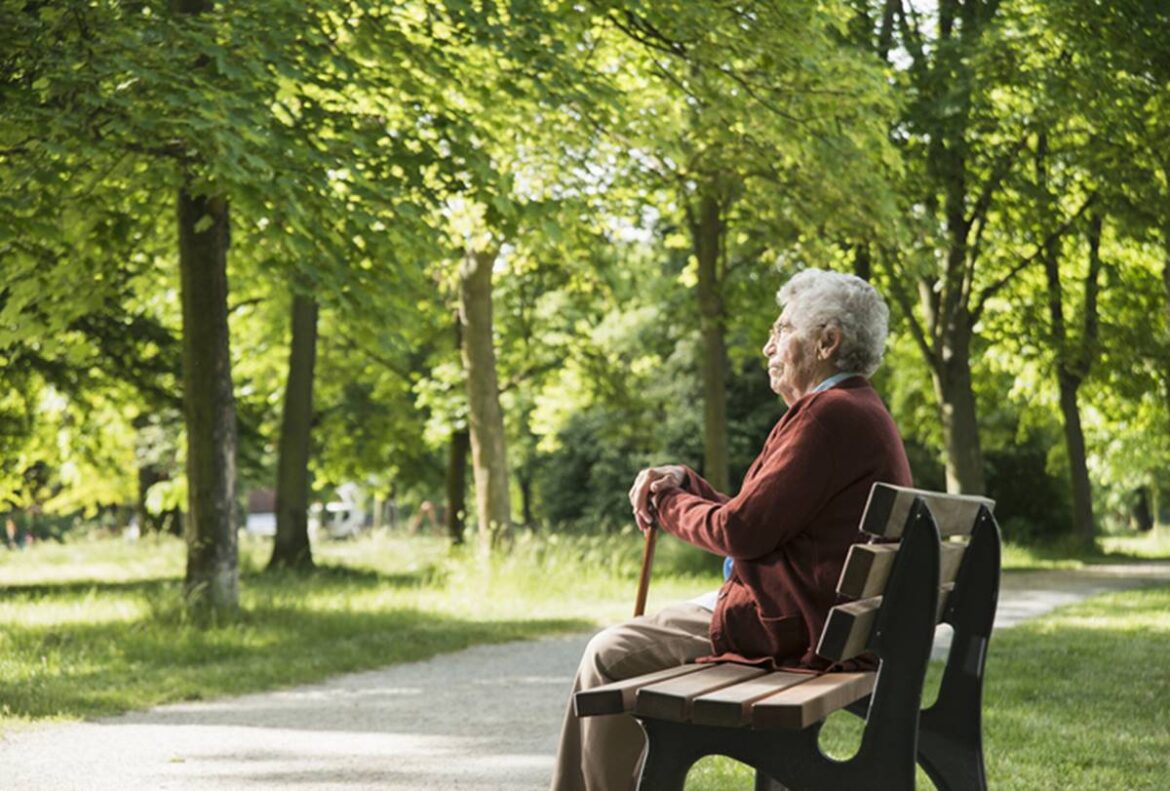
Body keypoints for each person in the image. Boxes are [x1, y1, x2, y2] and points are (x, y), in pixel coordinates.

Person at [549, 268, 912, 791]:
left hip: (793, 630)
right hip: (820, 621)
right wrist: (686, 482)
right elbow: (760, 518)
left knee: (610, 655)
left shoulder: (827, 418)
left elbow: (741, 531)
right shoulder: (854, 410)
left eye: (782, 330)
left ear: (827, 341)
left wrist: (669, 501)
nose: (768, 346)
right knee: (619, 650)